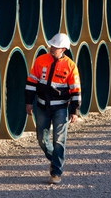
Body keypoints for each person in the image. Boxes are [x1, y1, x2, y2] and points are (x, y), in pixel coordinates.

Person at [25, 32, 81, 185]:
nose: (51, 48)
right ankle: (55, 159)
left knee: (59, 141)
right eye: (51, 45)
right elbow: (31, 83)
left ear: (63, 49)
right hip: (42, 106)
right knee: (42, 139)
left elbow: (76, 90)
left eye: (55, 47)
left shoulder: (70, 66)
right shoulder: (41, 61)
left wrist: (75, 111)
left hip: (61, 109)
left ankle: (56, 172)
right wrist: (28, 102)